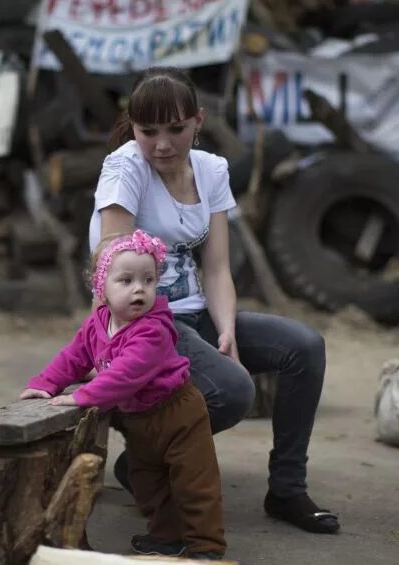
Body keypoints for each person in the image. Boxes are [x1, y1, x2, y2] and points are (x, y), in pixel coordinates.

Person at [89, 67, 338, 535]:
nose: (162, 144)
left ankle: (286, 489)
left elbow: (218, 267)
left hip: (195, 314)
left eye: (176, 129)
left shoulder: (211, 170)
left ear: (198, 120)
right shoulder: (124, 168)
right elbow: (115, 269)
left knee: (304, 346)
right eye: (149, 131)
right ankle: (147, 461)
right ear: (135, 127)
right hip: (140, 326)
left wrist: (225, 327)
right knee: (234, 389)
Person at [22, 230, 225, 560]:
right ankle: (166, 537)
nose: (139, 289)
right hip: (139, 419)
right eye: (126, 280)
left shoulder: (153, 328)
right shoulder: (97, 323)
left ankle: (207, 548)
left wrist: (83, 396)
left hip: (178, 413)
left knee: (194, 483)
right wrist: (45, 383)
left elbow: (125, 373)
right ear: (101, 287)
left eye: (148, 280)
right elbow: (73, 357)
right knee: (147, 481)